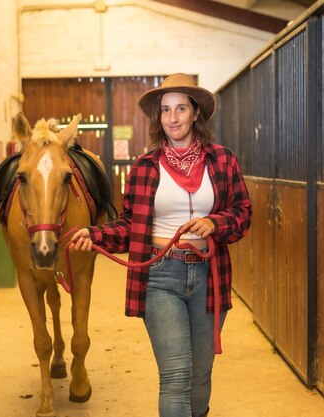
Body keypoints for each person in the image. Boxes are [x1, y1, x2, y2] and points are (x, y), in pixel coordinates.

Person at [70, 73, 252, 417]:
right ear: (159, 117)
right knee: (175, 376)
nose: (173, 118)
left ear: (195, 113)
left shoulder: (223, 160)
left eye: (181, 108)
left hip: (209, 277)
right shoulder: (144, 167)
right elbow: (129, 225)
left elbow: (243, 213)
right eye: (166, 110)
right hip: (160, 275)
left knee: (200, 377)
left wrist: (215, 222)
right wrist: (96, 234)